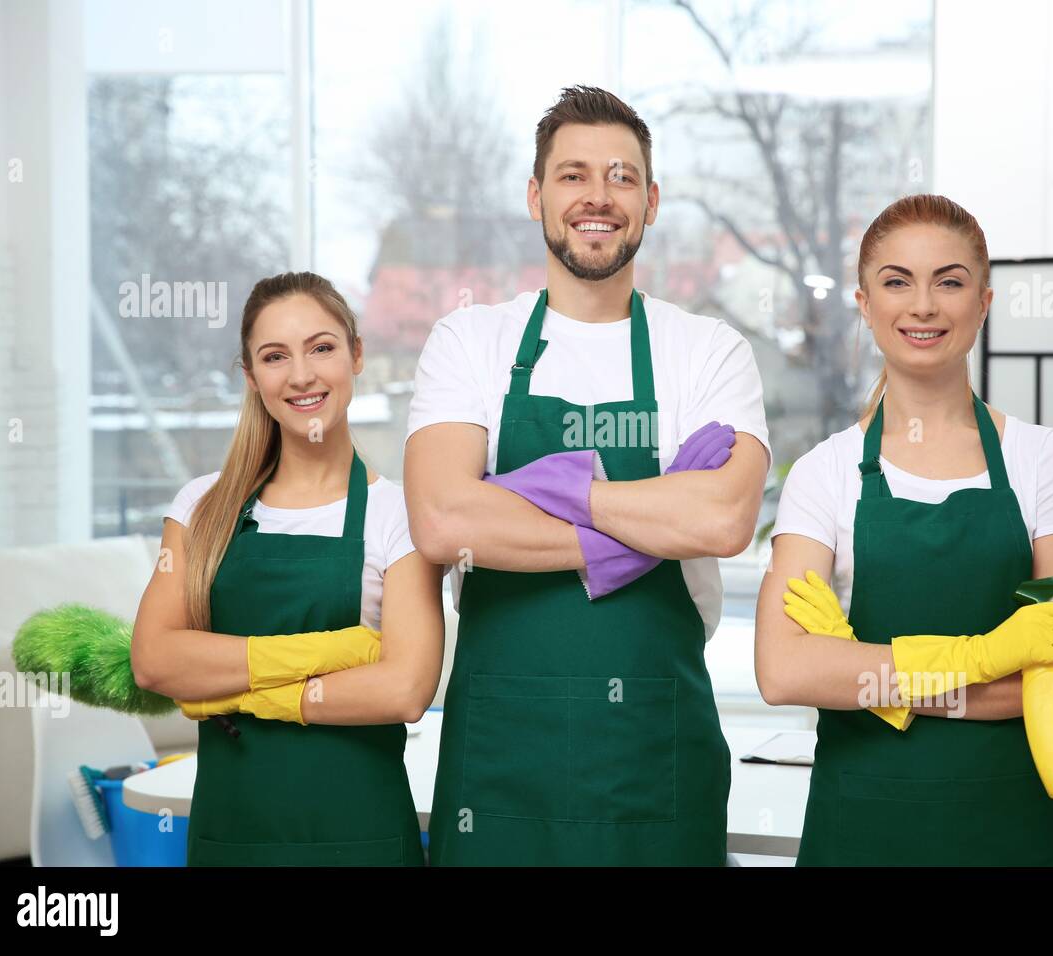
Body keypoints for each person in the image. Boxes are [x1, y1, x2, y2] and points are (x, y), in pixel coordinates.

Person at [404, 86, 771, 865]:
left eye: (621, 176)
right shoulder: (469, 341)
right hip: (501, 766)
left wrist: (545, 487)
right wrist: (643, 527)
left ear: (652, 200)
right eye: (572, 175)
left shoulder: (708, 352)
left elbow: (721, 522)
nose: (597, 196)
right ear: (537, 195)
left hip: (654, 759)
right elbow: (442, 520)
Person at [756, 194, 1053, 866]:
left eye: (949, 281)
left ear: (983, 301)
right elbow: (784, 670)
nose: (923, 306)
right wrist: (989, 658)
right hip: (860, 829)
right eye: (896, 282)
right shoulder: (825, 475)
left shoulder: (1042, 461)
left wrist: (870, 681)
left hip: (1010, 829)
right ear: (863, 303)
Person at [131, 271, 446, 866]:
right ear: (251, 378)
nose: (301, 375)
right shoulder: (201, 508)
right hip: (233, 842)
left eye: (321, 347)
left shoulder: (400, 513)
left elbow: (404, 689)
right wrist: (333, 657)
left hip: (363, 841)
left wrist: (241, 694)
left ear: (356, 354)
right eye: (275, 357)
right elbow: (154, 659)